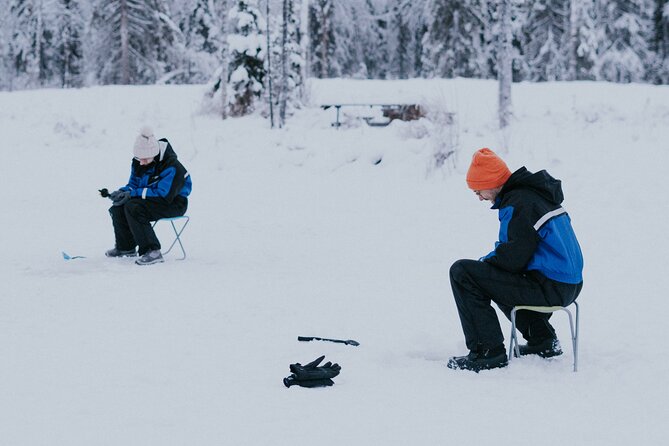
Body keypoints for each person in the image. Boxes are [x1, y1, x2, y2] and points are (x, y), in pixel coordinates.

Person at [447, 148, 583, 372]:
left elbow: (512, 257)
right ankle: (543, 341)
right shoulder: (533, 195)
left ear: (491, 182)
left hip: (552, 286)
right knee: (497, 278)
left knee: (462, 272)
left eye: (478, 191)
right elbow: (519, 253)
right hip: (568, 284)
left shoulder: (519, 202)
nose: (480, 198)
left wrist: (484, 265)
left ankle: (487, 352)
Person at [105, 126, 192, 265]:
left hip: (173, 203)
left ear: (155, 153)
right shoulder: (139, 161)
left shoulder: (172, 167)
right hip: (151, 199)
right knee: (118, 207)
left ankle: (152, 251)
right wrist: (122, 192)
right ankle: (126, 247)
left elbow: (163, 194)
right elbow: (134, 184)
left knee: (133, 207)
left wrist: (132, 194)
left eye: (145, 159)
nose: (141, 162)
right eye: (139, 158)